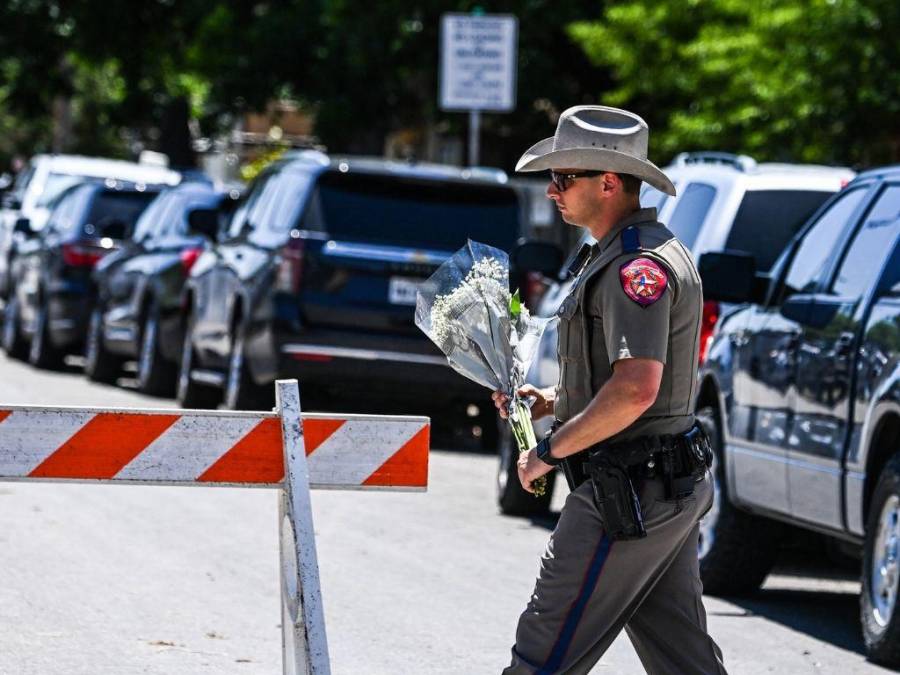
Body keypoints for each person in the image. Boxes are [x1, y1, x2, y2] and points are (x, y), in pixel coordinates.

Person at [492, 105, 727, 674]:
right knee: (684, 660)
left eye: (563, 177)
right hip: (656, 485)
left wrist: (546, 452)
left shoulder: (635, 266)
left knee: (543, 651)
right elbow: (635, 380)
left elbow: (636, 391)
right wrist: (552, 400)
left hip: (631, 490)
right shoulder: (622, 253)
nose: (551, 191)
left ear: (609, 181)